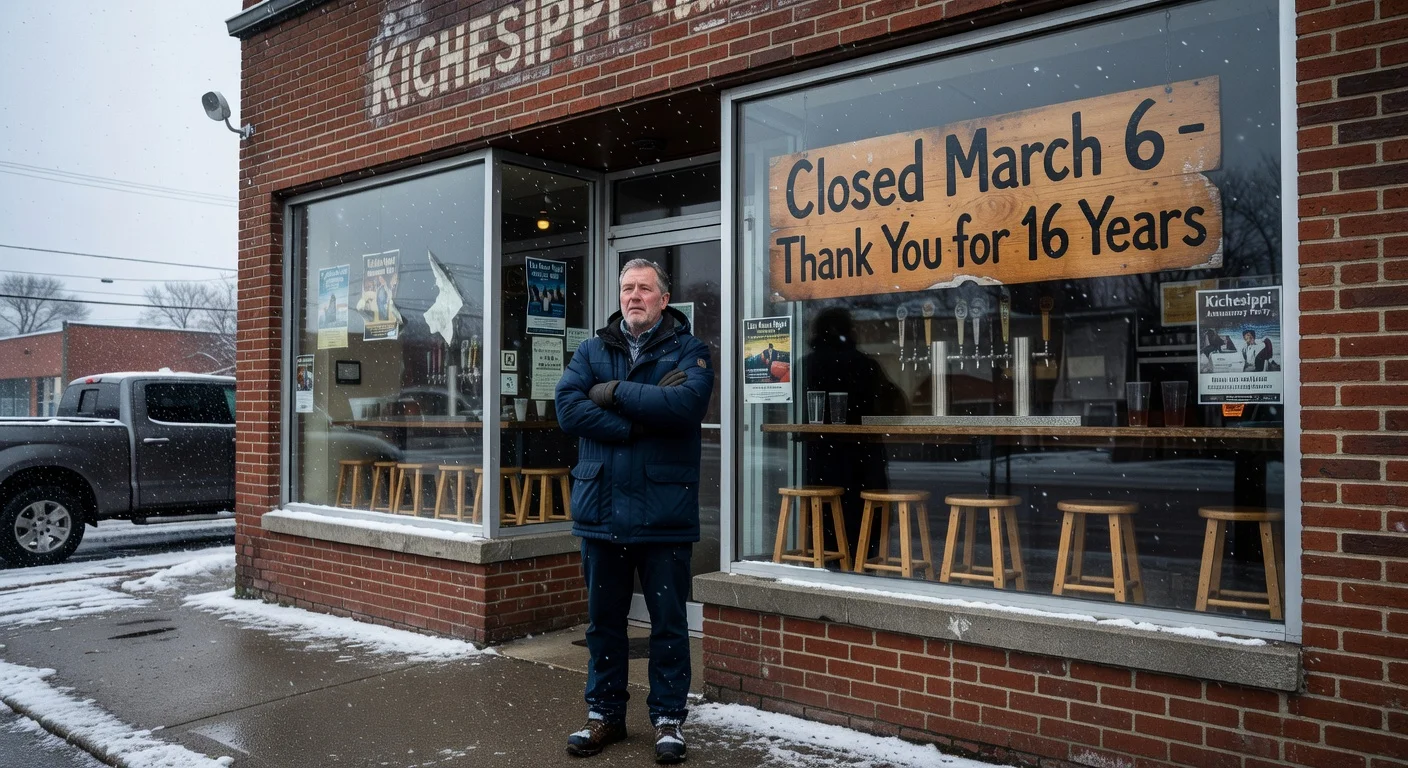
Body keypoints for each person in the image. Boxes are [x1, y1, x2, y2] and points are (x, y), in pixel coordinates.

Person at [555, 258, 713, 764]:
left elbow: (685, 407)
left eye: (645, 288)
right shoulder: (591, 349)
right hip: (601, 511)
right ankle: (605, 716)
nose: (634, 296)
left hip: (663, 511)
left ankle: (668, 721)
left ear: (664, 299)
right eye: (627, 288)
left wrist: (615, 393)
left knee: (668, 623)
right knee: (604, 622)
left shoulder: (690, 350)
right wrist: (636, 422)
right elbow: (567, 407)